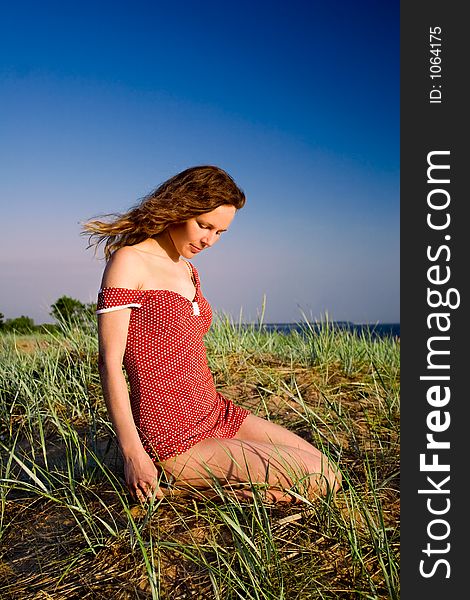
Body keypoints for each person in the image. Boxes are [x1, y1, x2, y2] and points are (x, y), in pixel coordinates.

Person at [83, 165, 341, 504]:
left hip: (215, 412)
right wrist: (132, 453)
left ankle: (232, 492)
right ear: (179, 209)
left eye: (220, 232)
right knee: (315, 479)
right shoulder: (129, 262)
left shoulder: (188, 268)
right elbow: (109, 363)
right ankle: (187, 491)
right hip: (173, 436)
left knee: (330, 473)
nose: (209, 240)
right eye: (204, 226)